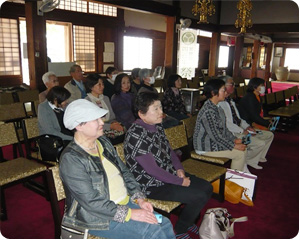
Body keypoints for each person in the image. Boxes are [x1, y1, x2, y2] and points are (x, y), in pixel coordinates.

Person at [59, 99, 175, 239]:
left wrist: (139, 199)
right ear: (79, 125)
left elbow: (124, 172)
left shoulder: (103, 142)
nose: (102, 122)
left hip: (125, 203)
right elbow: (92, 202)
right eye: (96, 119)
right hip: (98, 217)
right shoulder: (71, 158)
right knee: (151, 231)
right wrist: (131, 214)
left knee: (165, 222)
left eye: (100, 118)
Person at [124, 91, 213, 238]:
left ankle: (188, 220)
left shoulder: (157, 126)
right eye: (156, 109)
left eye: (160, 107)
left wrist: (179, 169)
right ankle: (179, 230)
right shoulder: (135, 134)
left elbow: (170, 151)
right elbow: (152, 170)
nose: (161, 112)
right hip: (151, 184)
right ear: (142, 114)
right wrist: (180, 181)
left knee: (206, 187)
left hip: (168, 174)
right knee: (198, 196)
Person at [218, 76, 274, 169]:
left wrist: (247, 127)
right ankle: (248, 159)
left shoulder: (230, 101)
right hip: (234, 133)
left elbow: (239, 119)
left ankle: (255, 158)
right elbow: (227, 124)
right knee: (259, 143)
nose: (234, 86)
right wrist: (243, 131)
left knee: (268, 135)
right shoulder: (220, 104)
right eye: (231, 84)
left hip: (241, 128)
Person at [193, 78, 248, 172]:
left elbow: (224, 129)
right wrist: (233, 145)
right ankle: (233, 182)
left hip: (213, 142)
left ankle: (242, 173)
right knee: (239, 154)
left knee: (243, 148)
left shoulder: (218, 107)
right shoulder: (208, 111)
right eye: (223, 90)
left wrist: (234, 139)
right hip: (205, 146)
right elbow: (216, 136)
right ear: (214, 93)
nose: (225, 92)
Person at [85, 73, 125, 144]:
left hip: (109, 127)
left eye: (102, 84)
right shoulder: (87, 101)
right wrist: (110, 126)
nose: (102, 87)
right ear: (91, 87)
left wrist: (114, 123)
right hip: (96, 131)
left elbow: (112, 117)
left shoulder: (105, 98)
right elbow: (91, 123)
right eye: (99, 85)